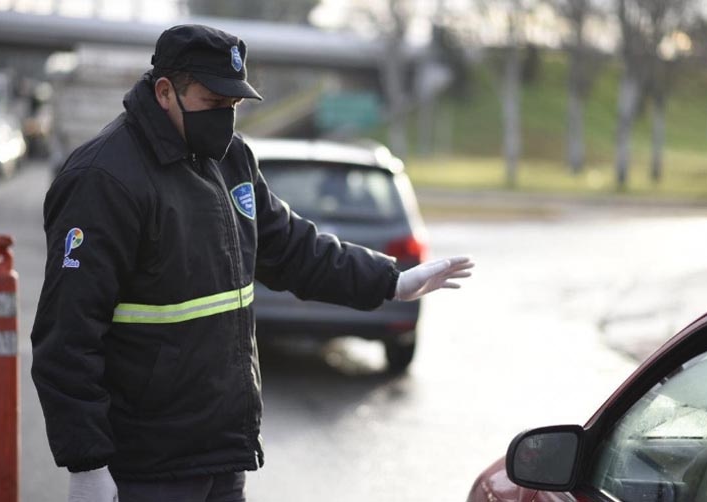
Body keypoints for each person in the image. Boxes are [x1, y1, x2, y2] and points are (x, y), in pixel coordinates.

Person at [30, 24, 473, 502]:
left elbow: (291, 247)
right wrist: (86, 462)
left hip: (222, 456)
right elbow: (66, 335)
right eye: (212, 102)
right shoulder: (105, 179)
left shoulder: (230, 159)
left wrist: (390, 281)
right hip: (145, 466)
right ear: (165, 92)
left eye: (233, 106)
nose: (225, 118)